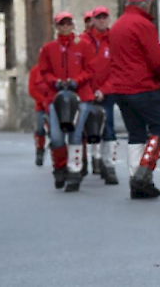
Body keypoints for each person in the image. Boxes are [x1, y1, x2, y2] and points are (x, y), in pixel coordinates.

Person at [109, 0, 160, 199]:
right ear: (146, 3)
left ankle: (136, 181)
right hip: (143, 86)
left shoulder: (117, 26)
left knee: (135, 134)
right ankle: (143, 174)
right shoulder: (143, 24)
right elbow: (155, 59)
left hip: (121, 89)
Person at [38, 12, 95, 192]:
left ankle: (75, 171)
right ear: (57, 27)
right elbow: (44, 71)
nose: (65, 27)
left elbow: (90, 69)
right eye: (62, 24)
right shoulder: (48, 49)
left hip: (80, 96)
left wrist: (77, 80)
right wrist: (55, 81)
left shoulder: (84, 46)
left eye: (68, 23)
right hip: (56, 97)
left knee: (76, 135)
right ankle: (60, 167)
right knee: (56, 136)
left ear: (73, 25)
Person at [81, 5, 119, 185]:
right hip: (85, 91)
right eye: (99, 18)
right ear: (93, 21)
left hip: (107, 92)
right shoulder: (83, 41)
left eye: (105, 17)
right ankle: (81, 162)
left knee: (108, 127)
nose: (102, 21)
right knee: (82, 127)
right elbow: (79, 68)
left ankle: (108, 165)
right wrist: (88, 90)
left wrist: (103, 90)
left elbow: (118, 69)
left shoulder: (114, 40)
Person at [28, 64, 50, 166]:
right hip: (40, 107)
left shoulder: (55, 69)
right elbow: (32, 89)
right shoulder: (35, 71)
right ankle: (40, 150)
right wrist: (42, 100)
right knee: (40, 129)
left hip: (53, 105)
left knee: (55, 132)